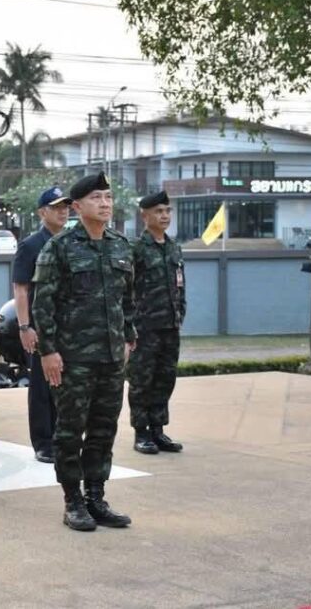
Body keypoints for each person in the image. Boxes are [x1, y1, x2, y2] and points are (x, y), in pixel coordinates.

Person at [31, 171, 136, 532]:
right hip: (72, 359)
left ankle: (96, 497)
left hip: (111, 358)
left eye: (108, 197)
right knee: (70, 431)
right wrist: (48, 351)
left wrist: (128, 337)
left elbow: (128, 299)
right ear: (77, 207)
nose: (105, 204)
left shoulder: (120, 245)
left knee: (104, 430)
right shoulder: (59, 247)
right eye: (96, 198)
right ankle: (73, 500)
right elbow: (42, 304)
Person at [11, 186, 72, 463]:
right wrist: (25, 327)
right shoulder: (32, 245)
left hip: (69, 327)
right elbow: (21, 288)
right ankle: (43, 442)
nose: (63, 212)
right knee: (42, 386)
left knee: (66, 384)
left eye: (65, 207)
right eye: (56, 207)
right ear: (41, 212)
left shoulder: (72, 242)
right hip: (40, 326)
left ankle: (63, 437)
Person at [128, 190, 186, 454]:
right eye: (158, 211)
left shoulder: (174, 247)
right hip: (144, 328)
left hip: (170, 327)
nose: (164, 216)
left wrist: (180, 312)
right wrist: (130, 325)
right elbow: (126, 289)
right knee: (142, 381)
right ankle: (141, 433)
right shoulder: (136, 249)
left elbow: (180, 285)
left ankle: (158, 430)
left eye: (167, 211)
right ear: (145, 216)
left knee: (165, 379)